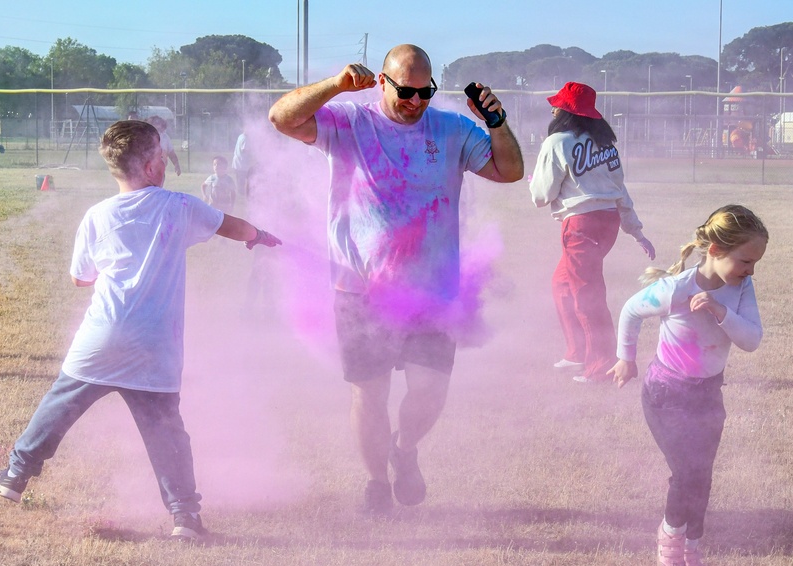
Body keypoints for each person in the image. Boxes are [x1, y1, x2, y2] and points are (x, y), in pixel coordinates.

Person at [0, 120, 282, 540]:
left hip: (103, 338)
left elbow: (80, 278)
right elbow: (230, 225)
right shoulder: (178, 206)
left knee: (60, 406)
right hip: (155, 345)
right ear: (149, 166)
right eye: (162, 156)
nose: (166, 161)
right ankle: (185, 518)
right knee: (166, 433)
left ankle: (15, 475)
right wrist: (261, 237)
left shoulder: (97, 215)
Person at [268, 43, 524, 515]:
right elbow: (282, 119)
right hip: (360, 290)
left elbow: (511, 171)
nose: (416, 102)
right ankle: (375, 483)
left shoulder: (451, 129)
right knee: (370, 393)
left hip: (432, 289)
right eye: (406, 91)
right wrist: (335, 86)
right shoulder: (349, 122)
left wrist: (496, 122)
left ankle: (404, 450)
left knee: (429, 391)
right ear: (383, 82)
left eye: (425, 91)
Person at [607, 204, 768, 566]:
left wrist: (719, 312)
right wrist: (625, 359)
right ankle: (670, 535)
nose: (751, 270)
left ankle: (692, 547)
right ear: (715, 250)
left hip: (709, 395)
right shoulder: (676, 289)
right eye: (745, 261)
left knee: (703, 477)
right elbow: (631, 311)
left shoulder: (741, 288)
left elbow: (752, 340)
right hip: (667, 393)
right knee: (687, 472)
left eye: (756, 263)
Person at [529, 82, 655, 384]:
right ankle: (577, 352)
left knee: (587, 296)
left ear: (566, 112)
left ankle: (601, 364)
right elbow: (619, 189)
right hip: (607, 222)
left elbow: (541, 195)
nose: (552, 108)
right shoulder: (605, 145)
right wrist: (635, 230)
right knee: (562, 286)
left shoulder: (557, 142)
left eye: (557, 105)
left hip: (580, 226)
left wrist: (534, 181)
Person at [232, 131, 251, 197]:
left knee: (239, 179)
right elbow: (244, 150)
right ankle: (241, 193)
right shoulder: (245, 139)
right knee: (241, 180)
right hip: (241, 163)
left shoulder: (241, 136)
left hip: (237, 161)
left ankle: (240, 192)